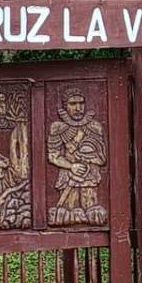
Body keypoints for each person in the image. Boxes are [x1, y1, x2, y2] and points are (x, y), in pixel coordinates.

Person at [47, 88, 107, 225]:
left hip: (89, 174)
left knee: (92, 210)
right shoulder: (57, 127)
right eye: (73, 104)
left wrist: (89, 159)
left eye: (81, 103)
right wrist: (71, 166)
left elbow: (102, 157)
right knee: (68, 210)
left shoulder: (94, 126)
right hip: (68, 174)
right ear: (65, 106)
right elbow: (53, 155)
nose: (78, 108)